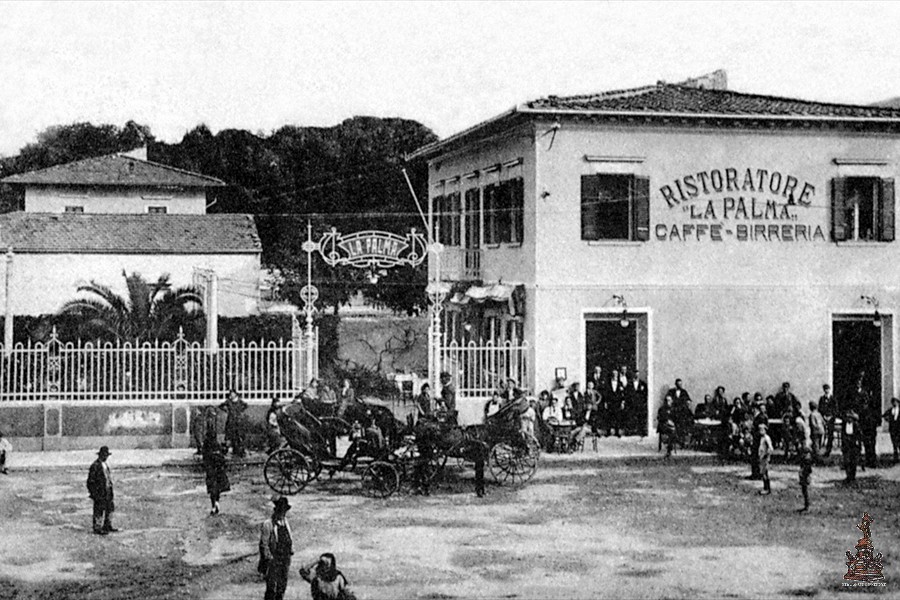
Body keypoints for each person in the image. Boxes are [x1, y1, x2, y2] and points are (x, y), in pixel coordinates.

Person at [259, 496, 294, 600]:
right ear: (276, 510)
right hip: (274, 560)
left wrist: (291, 549)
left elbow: (290, 537)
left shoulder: (285, 522)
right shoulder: (268, 524)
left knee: (282, 586)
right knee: (271, 588)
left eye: (284, 511)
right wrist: (268, 558)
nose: (282, 513)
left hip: (285, 558)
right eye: (281, 511)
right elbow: (264, 544)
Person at [86, 446, 118, 534]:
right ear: (101, 455)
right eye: (105, 455)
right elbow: (90, 481)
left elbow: (108, 478)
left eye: (107, 455)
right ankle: (97, 527)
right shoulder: (95, 466)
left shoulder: (105, 465)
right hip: (99, 492)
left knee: (109, 508)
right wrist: (94, 493)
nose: (106, 457)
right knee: (99, 509)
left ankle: (107, 525)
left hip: (107, 490)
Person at [202, 438, 230, 515]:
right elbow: (224, 463)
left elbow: (205, 460)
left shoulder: (207, 450)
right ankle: (216, 502)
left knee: (212, 490)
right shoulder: (218, 450)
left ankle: (213, 506)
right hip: (218, 473)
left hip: (211, 473)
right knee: (217, 489)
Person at [219, 389, 248, 458]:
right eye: (231, 394)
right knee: (230, 435)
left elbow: (245, 405)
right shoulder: (228, 401)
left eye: (233, 394)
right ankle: (231, 449)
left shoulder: (239, 401)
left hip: (238, 421)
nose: (232, 395)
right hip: (231, 420)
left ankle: (238, 450)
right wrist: (226, 410)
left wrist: (241, 411)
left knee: (238, 435)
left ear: (235, 394)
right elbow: (221, 406)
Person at [842, 409, 861, 483]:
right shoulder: (845, 425)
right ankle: (848, 476)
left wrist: (858, 445)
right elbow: (843, 435)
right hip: (846, 445)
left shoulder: (856, 425)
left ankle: (852, 476)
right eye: (847, 417)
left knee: (853, 461)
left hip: (853, 445)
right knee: (846, 461)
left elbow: (859, 435)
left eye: (850, 418)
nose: (848, 419)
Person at [820, 384, 838, 457]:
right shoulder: (822, 399)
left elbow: (836, 409)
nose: (826, 391)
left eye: (827, 389)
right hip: (824, 418)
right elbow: (820, 408)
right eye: (825, 389)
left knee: (830, 434)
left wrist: (831, 416)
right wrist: (823, 416)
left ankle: (828, 450)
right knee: (822, 433)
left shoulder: (833, 399)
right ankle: (820, 449)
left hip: (831, 419)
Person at [883, 397, 900, 464]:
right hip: (892, 429)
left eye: (895, 402)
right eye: (893, 402)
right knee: (894, 443)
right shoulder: (891, 410)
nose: (894, 403)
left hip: (899, 428)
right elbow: (884, 415)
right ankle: (895, 457)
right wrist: (888, 419)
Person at [758, 423, 773, 495]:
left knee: (764, 473)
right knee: (763, 473)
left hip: (765, 457)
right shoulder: (762, 438)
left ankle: (767, 488)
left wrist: (767, 455)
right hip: (761, 457)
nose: (760, 431)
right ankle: (766, 487)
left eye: (762, 429)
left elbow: (770, 448)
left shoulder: (766, 438)